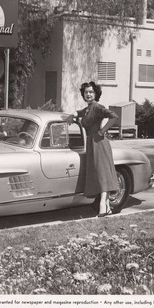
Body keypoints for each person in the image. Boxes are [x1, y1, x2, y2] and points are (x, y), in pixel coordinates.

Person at [66, 81, 119, 217]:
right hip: (91, 143)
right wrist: (72, 115)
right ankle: (107, 208)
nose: (88, 94)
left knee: (102, 173)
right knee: (97, 173)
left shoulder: (97, 107)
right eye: (86, 92)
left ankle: (102, 205)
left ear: (95, 94)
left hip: (99, 143)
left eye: (91, 92)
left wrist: (103, 131)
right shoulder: (88, 108)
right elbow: (79, 112)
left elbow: (114, 117)